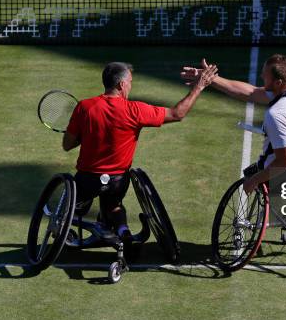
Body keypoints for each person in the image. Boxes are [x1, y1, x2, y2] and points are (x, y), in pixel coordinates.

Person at [63, 61, 218, 254]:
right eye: (130, 82)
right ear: (121, 85)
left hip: (87, 180)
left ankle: (68, 225)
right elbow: (178, 113)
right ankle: (123, 231)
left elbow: (67, 145)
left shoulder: (84, 108)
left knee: (73, 206)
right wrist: (199, 86)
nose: (130, 85)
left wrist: (84, 135)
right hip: (118, 181)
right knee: (113, 205)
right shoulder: (135, 110)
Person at [181, 54, 286, 193]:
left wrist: (254, 180)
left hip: (285, 179)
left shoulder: (276, 114)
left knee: (252, 176)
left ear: (278, 83)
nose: (262, 76)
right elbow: (251, 92)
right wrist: (210, 78)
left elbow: (284, 163)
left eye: (266, 75)